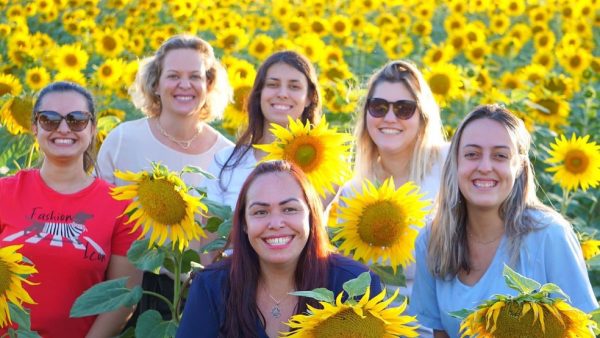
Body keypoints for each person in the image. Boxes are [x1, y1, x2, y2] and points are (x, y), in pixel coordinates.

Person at [410, 104, 598, 338]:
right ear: (455, 163)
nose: (485, 167)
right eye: (472, 154)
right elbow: (438, 333)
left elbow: (582, 328)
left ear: (519, 167)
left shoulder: (550, 236)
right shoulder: (432, 239)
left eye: (500, 155)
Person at [96, 34, 233, 321]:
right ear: (156, 84)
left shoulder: (227, 156)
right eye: (173, 76)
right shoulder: (123, 140)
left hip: (194, 296)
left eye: (195, 76)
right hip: (125, 290)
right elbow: (98, 221)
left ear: (209, 85)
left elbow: (223, 243)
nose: (184, 85)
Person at [0, 81, 142, 338]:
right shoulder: (4, 193)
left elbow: (123, 297)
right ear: (34, 127)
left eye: (76, 119)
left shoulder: (120, 206)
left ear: (92, 128)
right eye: (49, 120)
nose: (63, 128)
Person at [177, 160, 382, 338]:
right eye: (260, 212)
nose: (275, 223)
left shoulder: (354, 285)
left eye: (289, 209)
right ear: (244, 224)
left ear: (311, 216)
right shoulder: (212, 287)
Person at [337, 60, 447, 336]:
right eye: (378, 107)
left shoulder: (449, 168)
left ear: (423, 116)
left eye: (403, 109)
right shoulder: (353, 192)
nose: (389, 118)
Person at [202, 51, 322, 211]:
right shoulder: (226, 162)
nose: (282, 94)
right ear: (259, 94)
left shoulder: (322, 166)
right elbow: (209, 231)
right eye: (273, 85)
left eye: (294, 86)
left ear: (309, 97)